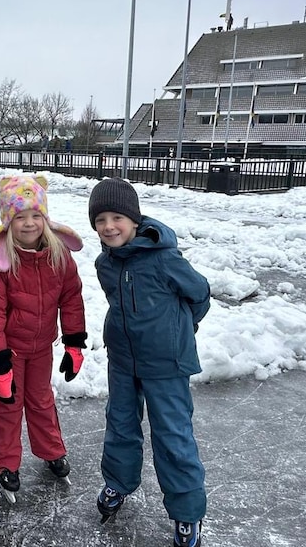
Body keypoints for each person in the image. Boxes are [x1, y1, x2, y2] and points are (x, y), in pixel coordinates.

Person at [87, 178, 212, 547]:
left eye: (117, 218)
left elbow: (199, 294)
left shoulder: (165, 258)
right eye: (100, 220)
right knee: (121, 424)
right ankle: (118, 483)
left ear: (134, 220)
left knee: (172, 435)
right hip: (123, 360)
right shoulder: (104, 263)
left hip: (166, 364)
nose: (109, 227)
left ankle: (187, 512)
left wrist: (182, 329)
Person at [0, 175, 87, 503]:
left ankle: (52, 451)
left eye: (35, 215)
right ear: (8, 223)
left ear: (45, 218)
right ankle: (5, 462)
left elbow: (71, 298)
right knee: (8, 404)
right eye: (20, 217)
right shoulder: (0, 265)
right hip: (10, 351)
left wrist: (73, 343)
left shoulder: (59, 258)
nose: (29, 224)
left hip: (42, 349)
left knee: (42, 401)